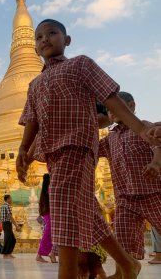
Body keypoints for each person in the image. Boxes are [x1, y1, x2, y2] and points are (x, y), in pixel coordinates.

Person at [16, 19, 160, 279]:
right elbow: (32, 120)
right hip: (53, 154)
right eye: (39, 37)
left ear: (67, 39)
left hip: (78, 147)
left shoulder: (80, 64)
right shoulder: (34, 85)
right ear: (35, 48)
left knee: (62, 210)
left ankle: (67, 273)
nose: (45, 39)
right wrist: (24, 150)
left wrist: (140, 129)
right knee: (88, 213)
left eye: (52, 33)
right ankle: (127, 264)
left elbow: (110, 99)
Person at [98, 92, 161, 276]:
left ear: (131, 106)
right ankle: (123, 271)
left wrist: (156, 163)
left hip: (153, 193)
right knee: (123, 241)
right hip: (125, 199)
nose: (112, 113)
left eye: (116, 108)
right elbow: (90, 148)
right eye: (108, 111)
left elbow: (158, 144)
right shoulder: (109, 139)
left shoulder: (144, 127)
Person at [36, 173, 57, 263]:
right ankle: (40, 255)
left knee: (52, 233)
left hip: (48, 213)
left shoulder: (45, 189)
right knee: (48, 232)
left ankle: (52, 254)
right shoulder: (49, 188)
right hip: (50, 213)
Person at [0, 195, 19, 259]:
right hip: (7, 223)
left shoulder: (2, 206)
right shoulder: (7, 205)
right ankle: (5, 254)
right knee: (8, 239)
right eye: (10, 198)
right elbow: (10, 216)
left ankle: (9, 253)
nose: (11, 200)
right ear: (7, 199)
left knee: (12, 239)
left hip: (5, 223)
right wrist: (16, 225)